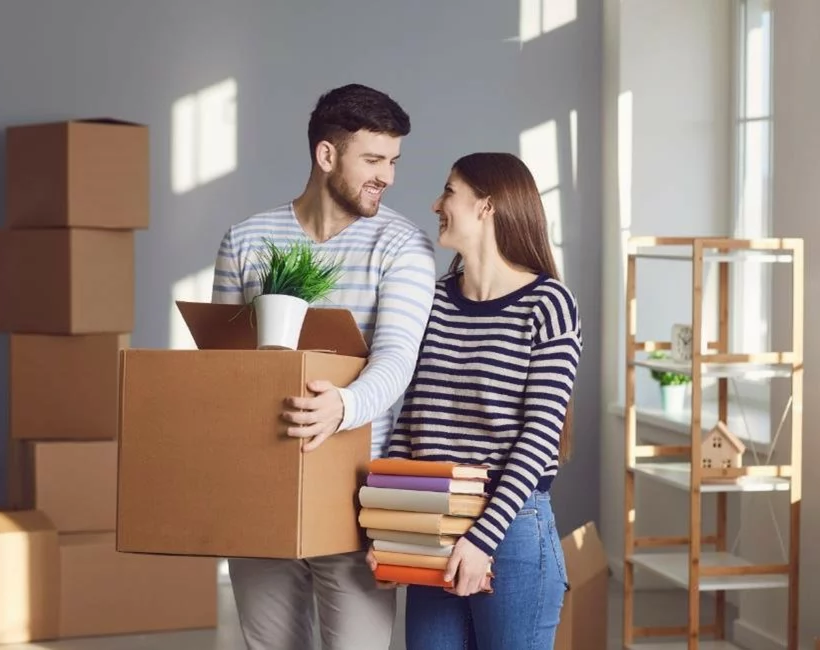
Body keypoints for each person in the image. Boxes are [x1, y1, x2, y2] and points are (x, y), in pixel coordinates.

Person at [211, 83, 436, 650]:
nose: (387, 175)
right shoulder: (246, 241)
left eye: (394, 161)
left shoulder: (401, 245)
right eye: (374, 159)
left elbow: (397, 358)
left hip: (355, 497)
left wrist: (342, 406)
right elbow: (218, 368)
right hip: (259, 487)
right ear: (327, 155)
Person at [367, 152, 582, 650]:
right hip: (431, 525)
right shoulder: (434, 300)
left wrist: (481, 539)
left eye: (449, 191)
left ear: (486, 205)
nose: (436, 203)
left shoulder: (548, 304)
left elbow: (540, 435)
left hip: (511, 528)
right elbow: (410, 422)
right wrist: (389, 535)